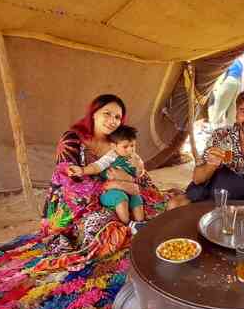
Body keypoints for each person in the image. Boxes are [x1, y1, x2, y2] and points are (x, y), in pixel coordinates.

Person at [38, 93, 169, 273]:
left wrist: (137, 173)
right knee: (101, 231)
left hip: (113, 195)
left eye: (117, 117)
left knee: (154, 209)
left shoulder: (117, 143)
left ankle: (131, 223)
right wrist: (115, 185)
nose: (112, 120)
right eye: (107, 113)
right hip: (74, 202)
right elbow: (68, 181)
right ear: (93, 113)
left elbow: (138, 175)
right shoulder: (72, 139)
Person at [172, 89, 244, 208]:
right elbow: (197, 179)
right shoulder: (221, 136)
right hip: (214, 195)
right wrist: (211, 165)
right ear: (236, 115)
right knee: (175, 205)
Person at [66, 125, 147, 229]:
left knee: (137, 199)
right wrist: (82, 170)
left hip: (129, 187)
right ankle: (128, 224)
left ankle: (140, 223)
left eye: (133, 145)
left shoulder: (135, 157)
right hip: (111, 190)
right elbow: (97, 167)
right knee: (121, 199)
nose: (130, 149)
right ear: (114, 146)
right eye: (125, 146)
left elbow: (139, 174)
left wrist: (138, 166)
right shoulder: (111, 156)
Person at [209, 59, 244, 128]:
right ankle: (229, 132)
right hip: (238, 84)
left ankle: (215, 131)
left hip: (229, 81)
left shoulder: (227, 58)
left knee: (217, 113)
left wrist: (217, 87)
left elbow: (222, 73)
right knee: (232, 115)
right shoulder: (239, 62)